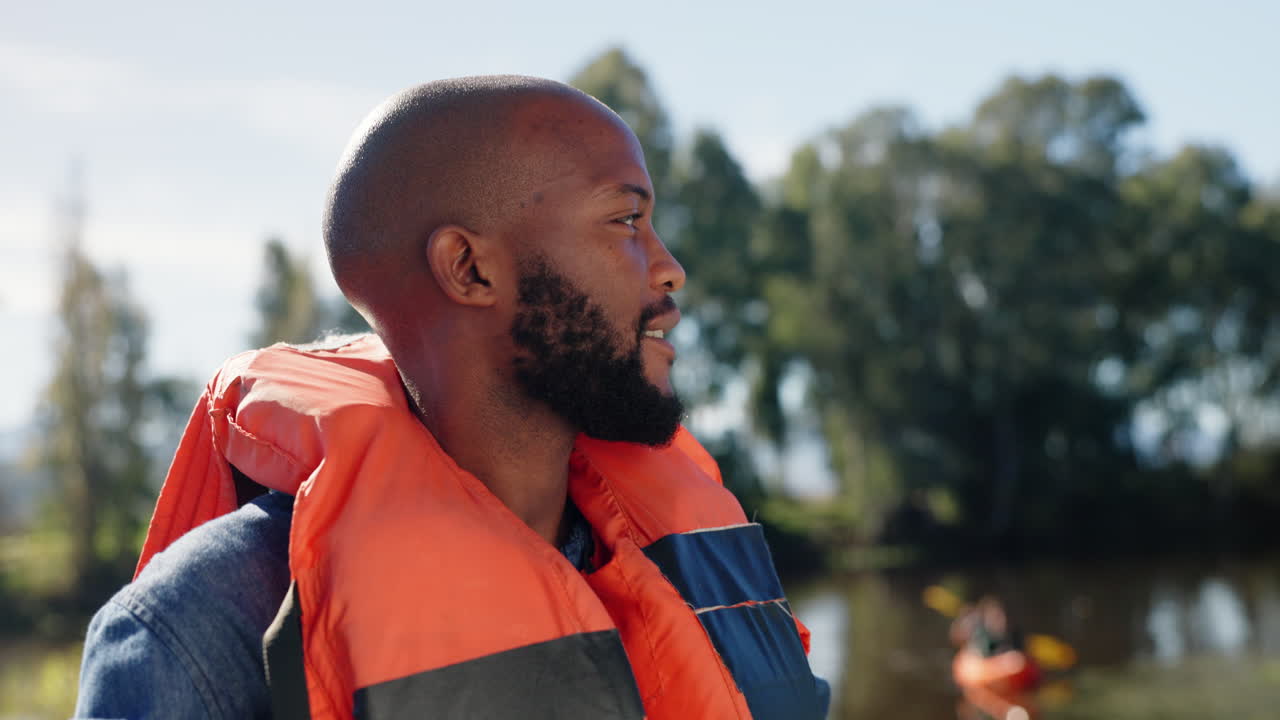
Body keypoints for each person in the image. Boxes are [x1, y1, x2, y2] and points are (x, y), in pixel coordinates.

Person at [74, 76, 829, 719]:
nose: (670, 269)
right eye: (626, 220)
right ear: (469, 269)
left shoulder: (699, 567)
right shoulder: (196, 634)